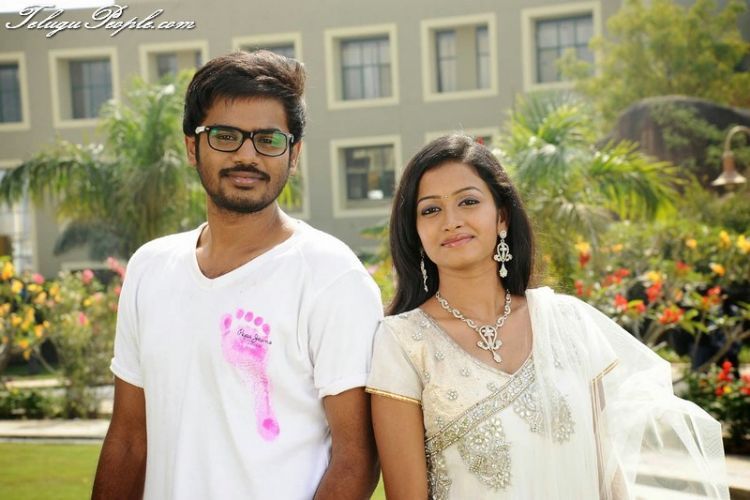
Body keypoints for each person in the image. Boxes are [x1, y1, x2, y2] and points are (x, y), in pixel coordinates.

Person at [366, 134, 729, 499]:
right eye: (430, 210)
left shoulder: (567, 323)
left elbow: (608, 474)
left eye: (468, 201)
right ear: (415, 231)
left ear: (502, 217)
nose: (451, 221)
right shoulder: (403, 343)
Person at [92, 51, 383, 500]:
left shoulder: (332, 276)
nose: (247, 155)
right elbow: (130, 439)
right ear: (193, 147)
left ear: (294, 154)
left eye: (268, 139)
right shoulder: (150, 267)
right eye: (225, 136)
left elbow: (357, 457)